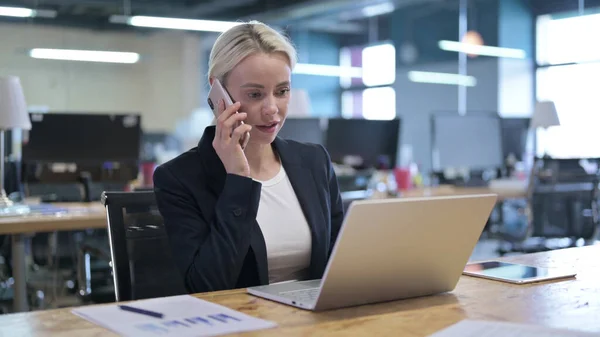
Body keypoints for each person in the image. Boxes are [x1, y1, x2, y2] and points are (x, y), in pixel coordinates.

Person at [153, 21, 344, 294]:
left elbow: (340, 261)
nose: (271, 109)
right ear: (218, 91)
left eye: (282, 91)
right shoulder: (179, 178)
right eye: (255, 94)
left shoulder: (314, 161)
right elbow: (207, 287)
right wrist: (238, 179)